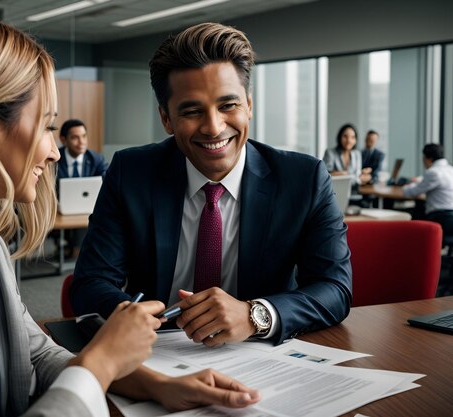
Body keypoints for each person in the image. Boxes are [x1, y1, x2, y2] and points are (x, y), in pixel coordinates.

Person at [0, 10, 261, 416]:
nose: (54, 150)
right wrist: (103, 360)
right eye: (48, 126)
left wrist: (154, 386)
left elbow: (34, 352)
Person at [70, 22, 352, 347]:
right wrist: (134, 318)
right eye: (192, 111)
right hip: (157, 353)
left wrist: (254, 314)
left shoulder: (304, 179)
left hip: (261, 355)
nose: (214, 127)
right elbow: (91, 282)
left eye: (228, 105)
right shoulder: (131, 173)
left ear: (249, 105)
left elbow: (335, 289)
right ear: (166, 119)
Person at [55, 119, 108, 258]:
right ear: (63, 140)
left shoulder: (96, 159)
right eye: (75, 137)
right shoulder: (54, 159)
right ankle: (69, 247)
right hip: (57, 210)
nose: (81, 141)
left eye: (84, 136)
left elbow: (106, 183)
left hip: (85, 210)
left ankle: (77, 249)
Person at [403, 143, 453, 236]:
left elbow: (411, 192)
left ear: (428, 158)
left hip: (440, 217)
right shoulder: (450, 170)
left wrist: (405, 187)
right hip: (449, 217)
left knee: (412, 215)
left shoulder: (433, 172)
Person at [323, 123, 372, 189]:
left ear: (355, 140)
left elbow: (358, 175)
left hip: (354, 192)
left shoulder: (357, 154)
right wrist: (358, 179)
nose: (349, 140)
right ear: (340, 137)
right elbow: (325, 176)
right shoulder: (330, 153)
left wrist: (341, 175)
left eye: (352, 137)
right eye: (345, 136)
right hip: (334, 191)